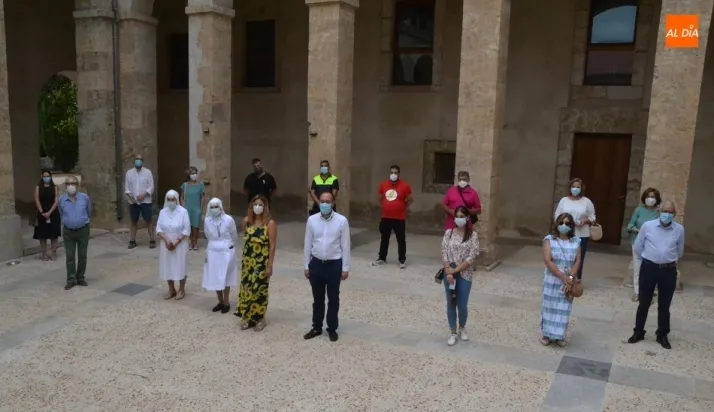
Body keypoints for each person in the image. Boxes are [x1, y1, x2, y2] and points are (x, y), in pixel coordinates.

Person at [627, 201, 684, 350]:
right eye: (665, 211)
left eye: (670, 212)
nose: (667, 214)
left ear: (674, 214)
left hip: (668, 270)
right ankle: (638, 332)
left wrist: (666, 258)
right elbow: (638, 247)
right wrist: (651, 258)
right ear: (659, 211)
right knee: (644, 302)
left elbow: (679, 251)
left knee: (664, 305)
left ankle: (662, 334)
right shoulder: (648, 226)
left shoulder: (679, 229)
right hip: (649, 268)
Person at [303, 192, 350, 342]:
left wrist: (345, 268)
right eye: (322, 201)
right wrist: (306, 265)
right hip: (316, 264)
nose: (324, 204)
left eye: (327, 201)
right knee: (317, 299)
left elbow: (345, 245)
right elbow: (308, 243)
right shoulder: (312, 220)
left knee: (333, 298)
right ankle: (316, 326)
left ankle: (332, 328)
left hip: (334, 264)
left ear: (333, 203)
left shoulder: (341, 221)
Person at [235, 195, 277, 331]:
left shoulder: (269, 224)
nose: (257, 207)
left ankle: (259, 318)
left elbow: (272, 246)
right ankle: (248, 317)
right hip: (248, 261)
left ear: (265, 207)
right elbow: (246, 238)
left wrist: (270, 265)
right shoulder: (247, 221)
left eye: (260, 205)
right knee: (247, 288)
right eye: (255, 204)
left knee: (259, 289)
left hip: (261, 261)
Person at [540, 213, 581, 347]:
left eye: (567, 223)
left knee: (563, 308)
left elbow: (577, 261)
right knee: (549, 306)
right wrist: (562, 277)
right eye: (561, 223)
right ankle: (546, 334)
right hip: (552, 278)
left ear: (571, 226)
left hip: (568, 279)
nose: (564, 225)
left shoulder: (576, 241)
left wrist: (570, 277)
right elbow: (548, 260)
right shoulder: (549, 240)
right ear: (557, 224)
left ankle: (559, 335)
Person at [440, 206, 479, 346]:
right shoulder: (449, 233)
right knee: (451, 303)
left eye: (462, 216)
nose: (459, 219)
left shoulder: (473, 235)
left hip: (464, 274)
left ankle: (462, 327)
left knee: (462, 305)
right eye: (457, 216)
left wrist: (455, 271)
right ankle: (452, 332)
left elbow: (471, 257)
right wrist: (448, 270)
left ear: (467, 218)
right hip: (449, 274)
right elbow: (444, 252)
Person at [202, 197, 239, 314]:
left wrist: (228, 245)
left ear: (220, 207)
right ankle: (220, 301)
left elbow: (234, 235)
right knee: (216, 276)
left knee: (225, 276)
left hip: (226, 250)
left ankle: (226, 302)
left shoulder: (228, 219)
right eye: (212, 207)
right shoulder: (207, 220)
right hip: (213, 250)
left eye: (216, 207)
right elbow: (207, 234)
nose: (214, 209)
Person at [554, 178, 595, 280]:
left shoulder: (586, 201)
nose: (575, 189)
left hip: (582, 234)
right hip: (565, 233)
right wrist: (564, 223)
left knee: (578, 258)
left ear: (581, 188)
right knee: (564, 256)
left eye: (578, 187)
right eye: (573, 186)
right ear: (570, 188)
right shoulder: (564, 200)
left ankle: (576, 279)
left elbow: (593, 217)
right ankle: (563, 277)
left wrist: (584, 221)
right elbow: (557, 215)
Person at [625, 188, 661, 301]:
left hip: (652, 244)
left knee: (650, 270)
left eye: (653, 197)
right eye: (648, 196)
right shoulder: (639, 210)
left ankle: (648, 292)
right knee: (638, 267)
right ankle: (637, 292)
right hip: (637, 242)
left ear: (657, 199)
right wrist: (639, 230)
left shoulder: (658, 212)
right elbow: (630, 226)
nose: (650, 199)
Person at [373, 165, 412, 268]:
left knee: (401, 239)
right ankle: (382, 258)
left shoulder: (405, 186)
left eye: (395, 172)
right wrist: (386, 206)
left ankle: (402, 259)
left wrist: (403, 207)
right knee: (384, 238)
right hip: (386, 217)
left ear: (398, 174)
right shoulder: (384, 185)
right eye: (392, 172)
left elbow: (410, 199)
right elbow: (380, 198)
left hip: (399, 218)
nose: (393, 174)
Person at [58, 176, 92, 290]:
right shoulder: (61, 199)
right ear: (65, 186)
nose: (71, 186)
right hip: (68, 231)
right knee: (70, 256)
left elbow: (89, 212)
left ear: (77, 185)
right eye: (68, 184)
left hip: (83, 230)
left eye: (73, 183)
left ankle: (80, 277)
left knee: (82, 255)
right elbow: (61, 213)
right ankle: (71, 279)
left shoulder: (85, 198)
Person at [156, 190, 191, 300]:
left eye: (173, 199)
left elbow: (186, 230)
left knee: (180, 265)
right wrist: (167, 240)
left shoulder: (183, 212)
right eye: (169, 199)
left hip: (180, 244)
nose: (171, 202)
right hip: (166, 244)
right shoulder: (162, 212)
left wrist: (176, 242)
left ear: (177, 200)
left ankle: (181, 289)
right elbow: (158, 229)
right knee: (168, 265)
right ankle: (171, 289)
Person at [124, 154, 156, 249]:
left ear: (142, 161)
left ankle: (152, 240)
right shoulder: (129, 173)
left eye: (140, 159)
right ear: (134, 160)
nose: (138, 161)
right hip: (133, 202)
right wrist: (131, 197)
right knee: (134, 221)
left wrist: (144, 195)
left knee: (149, 221)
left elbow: (151, 187)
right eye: (137, 159)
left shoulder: (148, 172)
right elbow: (127, 188)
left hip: (146, 201)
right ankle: (132, 240)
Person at [33, 169, 61, 261]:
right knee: (42, 235)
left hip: (53, 213)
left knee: (54, 234)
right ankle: (43, 253)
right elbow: (36, 199)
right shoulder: (38, 187)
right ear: (41, 177)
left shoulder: (54, 187)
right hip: (42, 213)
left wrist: (50, 212)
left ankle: (53, 252)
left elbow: (56, 200)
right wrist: (42, 212)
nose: (46, 178)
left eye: (47, 176)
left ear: (50, 177)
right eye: (44, 176)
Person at [180, 166, 206, 250]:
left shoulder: (200, 185)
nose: (194, 175)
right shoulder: (185, 185)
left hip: (196, 208)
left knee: (196, 227)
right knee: (189, 226)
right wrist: (183, 206)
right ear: (189, 174)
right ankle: (191, 242)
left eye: (195, 173)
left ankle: (195, 242)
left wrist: (201, 208)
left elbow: (203, 197)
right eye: (192, 173)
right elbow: (181, 197)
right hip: (187, 208)